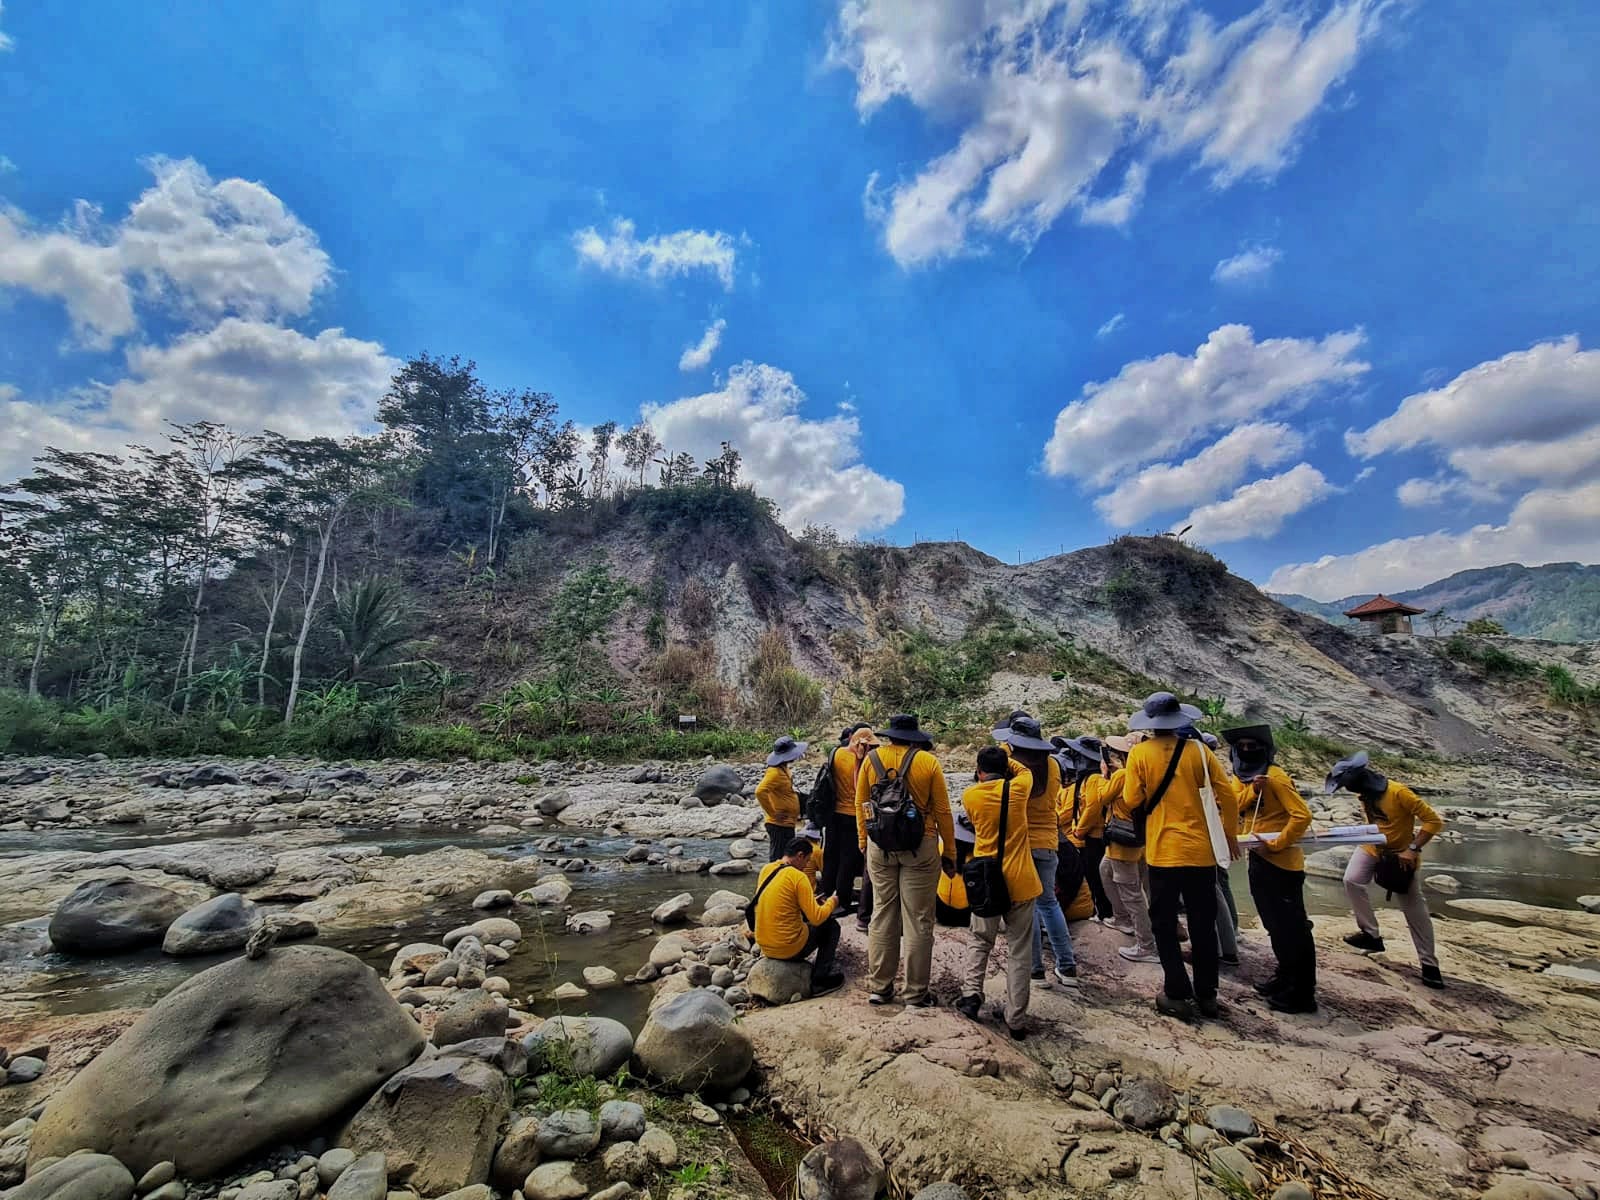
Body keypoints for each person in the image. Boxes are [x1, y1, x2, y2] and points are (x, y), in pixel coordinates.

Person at [1123, 692, 1240, 1021]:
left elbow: (1132, 798)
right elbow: (1227, 795)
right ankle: (1207, 994)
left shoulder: (1140, 754)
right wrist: (1229, 835)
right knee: (1203, 924)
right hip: (1201, 852)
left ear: (1150, 724)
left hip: (1163, 852)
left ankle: (1176, 991)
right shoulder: (1199, 751)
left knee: (1163, 923)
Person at [856, 713, 956, 1007]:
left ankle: (880, 988)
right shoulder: (928, 763)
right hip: (921, 847)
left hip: (880, 848)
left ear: (890, 736)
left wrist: (865, 840)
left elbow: (862, 804)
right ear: (915, 737)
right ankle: (915, 993)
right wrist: (949, 851)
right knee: (919, 919)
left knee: (882, 914)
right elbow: (942, 812)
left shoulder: (871, 761)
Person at [1329, 752, 1447, 989]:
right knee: (1352, 880)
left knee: (1414, 908)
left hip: (1401, 854)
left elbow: (1434, 822)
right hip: (1372, 847)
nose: (1349, 790)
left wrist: (1413, 849)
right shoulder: (1364, 796)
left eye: (1348, 786)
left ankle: (1429, 964)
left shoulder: (1398, 792)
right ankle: (1371, 935)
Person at [1224, 726, 1316, 1013]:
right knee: (1273, 925)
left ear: (1265, 749)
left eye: (1253, 745)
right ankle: (1284, 975)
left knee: (1293, 928)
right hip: (1258, 859)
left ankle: (1302, 992)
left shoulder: (1276, 778)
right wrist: (1253, 792)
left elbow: (1302, 815)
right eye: (1242, 745)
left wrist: (1277, 844)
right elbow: (1233, 806)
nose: (1247, 750)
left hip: (1282, 863)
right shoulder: (1244, 779)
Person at [956, 746, 1043, 1038]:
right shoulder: (1019, 788)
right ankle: (1015, 1019)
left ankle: (971, 996)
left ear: (979, 771)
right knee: (1019, 952)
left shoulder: (970, 796)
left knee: (980, 940)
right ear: (1004, 768)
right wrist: (1009, 755)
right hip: (1021, 879)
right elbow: (1026, 772)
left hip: (986, 879)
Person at [995, 715, 1079, 989]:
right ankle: (1067, 967)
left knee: (1024, 907)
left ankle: (1035, 970)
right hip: (1048, 842)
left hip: (1019, 843)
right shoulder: (1053, 764)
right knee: (1048, 904)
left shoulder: (1011, 764)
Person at [1092, 735, 1161, 963]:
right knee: (1105, 871)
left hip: (1122, 841)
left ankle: (1146, 944)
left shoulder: (1122, 775)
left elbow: (1102, 798)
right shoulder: (1147, 771)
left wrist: (1104, 776)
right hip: (1139, 838)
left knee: (1132, 894)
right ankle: (1122, 918)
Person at [752, 837, 844, 996]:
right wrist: (832, 902)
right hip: (788, 948)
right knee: (831, 927)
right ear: (800, 855)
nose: (807, 865)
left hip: (764, 945)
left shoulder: (767, 869)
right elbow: (816, 918)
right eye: (807, 860)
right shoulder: (798, 876)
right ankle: (819, 981)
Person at [819, 725, 877, 914]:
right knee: (847, 860)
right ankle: (841, 900)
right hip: (854, 816)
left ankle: (825, 893)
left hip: (834, 813)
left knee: (830, 855)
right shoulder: (865, 760)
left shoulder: (836, 753)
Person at [756, 735, 806, 861]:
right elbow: (760, 791)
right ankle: (773, 880)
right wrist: (773, 813)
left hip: (787, 823)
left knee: (786, 856)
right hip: (778, 824)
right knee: (778, 859)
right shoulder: (774, 773)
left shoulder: (783, 768)